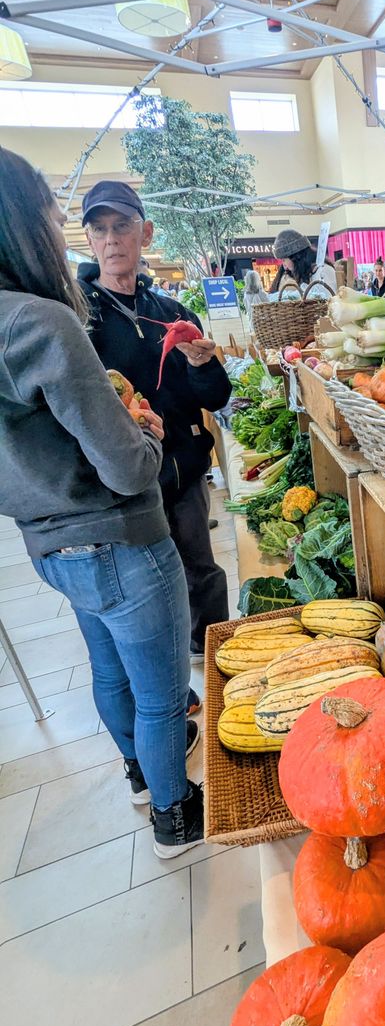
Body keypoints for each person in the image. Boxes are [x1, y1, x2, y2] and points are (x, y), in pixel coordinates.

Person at [0, 148, 203, 857]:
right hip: (121, 539)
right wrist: (145, 435)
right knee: (162, 694)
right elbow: (125, 466)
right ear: (25, 226)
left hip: (49, 542)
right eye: (56, 219)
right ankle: (174, 815)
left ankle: (140, 777)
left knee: (109, 669)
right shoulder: (47, 321)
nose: (67, 236)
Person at [78, 180, 232, 664]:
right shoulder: (78, 319)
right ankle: (165, 674)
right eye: (99, 229)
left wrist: (203, 365)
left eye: (122, 226)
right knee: (145, 589)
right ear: (89, 239)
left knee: (201, 571)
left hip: (183, 472)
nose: (111, 240)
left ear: (144, 233)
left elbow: (216, 396)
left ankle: (214, 659)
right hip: (123, 486)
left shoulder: (174, 313)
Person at [270, 229, 337, 298]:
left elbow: (329, 301)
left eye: (284, 260)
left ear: (296, 257)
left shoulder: (323, 272)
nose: (285, 267)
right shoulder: (310, 275)